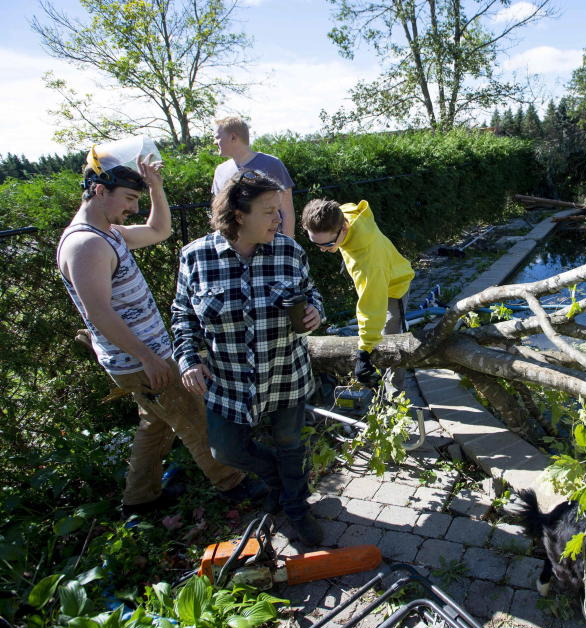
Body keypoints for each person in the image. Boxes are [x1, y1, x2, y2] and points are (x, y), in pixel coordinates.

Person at [57, 156, 266, 518]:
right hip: (141, 360)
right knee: (194, 417)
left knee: (154, 425)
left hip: (142, 356)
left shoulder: (107, 233)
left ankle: (139, 499)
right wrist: (149, 359)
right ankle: (235, 485)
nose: (132, 209)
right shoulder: (85, 245)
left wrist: (155, 187)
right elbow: (99, 313)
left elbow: (158, 231)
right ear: (98, 190)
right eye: (127, 199)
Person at [171, 171, 326, 546]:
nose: (279, 219)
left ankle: (295, 505)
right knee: (225, 449)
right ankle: (281, 482)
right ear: (239, 214)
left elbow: (312, 293)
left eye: (279, 211)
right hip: (228, 381)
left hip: (285, 373)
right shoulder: (196, 257)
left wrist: (315, 311)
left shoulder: (289, 252)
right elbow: (182, 316)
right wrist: (188, 360)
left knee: (290, 441)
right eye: (270, 211)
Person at [301, 198, 414, 393]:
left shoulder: (369, 263)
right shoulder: (343, 216)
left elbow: (371, 307)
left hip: (393, 287)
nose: (322, 249)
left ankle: (395, 395)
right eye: (315, 243)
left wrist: (364, 352)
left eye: (327, 243)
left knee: (392, 340)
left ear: (343, 229)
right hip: (376, 276)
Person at [212, 116, 296, 237]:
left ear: (233, 137)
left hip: (270, 246)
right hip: (233, 248)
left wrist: (288, 247)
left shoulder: (272, 164)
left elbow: (287, 211)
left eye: (217, 137)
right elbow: (218, 215)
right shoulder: (220, 171)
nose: (215, 142)